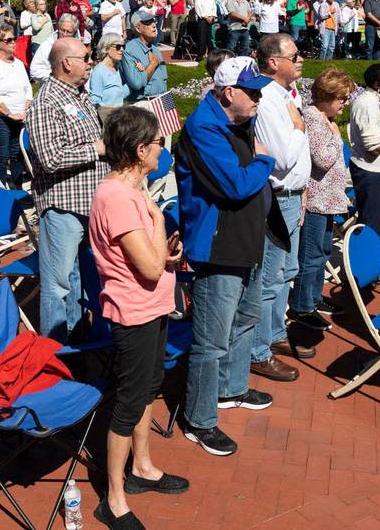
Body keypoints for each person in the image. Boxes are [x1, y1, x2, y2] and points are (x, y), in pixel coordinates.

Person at [89, 107, 189, 529]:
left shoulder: (133, 190)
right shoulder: (120, 198)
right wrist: (159, 219)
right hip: (133, 312)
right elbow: (148, 268)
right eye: (158, 143)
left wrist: (165, 251)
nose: (163, 149)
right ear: (139, 149)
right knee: (129, 403)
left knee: (149, 388)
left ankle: (143, 467)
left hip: (152, 307)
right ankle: (113, 499)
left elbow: (154, 259)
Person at [174, 55, 279, 457]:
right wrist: (265, 161)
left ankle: (231, 388)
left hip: (246, 239)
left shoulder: (240, 121)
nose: (258, 98)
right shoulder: (204, 128)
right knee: (211, 340)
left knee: (247, 317)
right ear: (228, 92)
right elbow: (235, 185)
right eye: (252, 91)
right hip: (218, 246)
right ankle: (199, 420)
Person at [25, 37, 109, 340]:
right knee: (58, 285)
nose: (90, 62)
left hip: (91, 204)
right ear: (66, 63)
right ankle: (56, 353)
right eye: (85, 57)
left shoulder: (79, 95)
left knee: (80, 279)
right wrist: (96, 149)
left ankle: (78, 340)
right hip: (63, 208)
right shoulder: (46, 103)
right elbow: (50, 158)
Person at [249, 33, 312, 379]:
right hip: (278, 197)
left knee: (287, 272)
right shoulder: (270, 100)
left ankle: (274, 335)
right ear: (273, 62)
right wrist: (300, 127)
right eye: (294, 55)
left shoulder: (289, 93)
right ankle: (258, 351)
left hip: (294, 196)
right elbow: (283, 159)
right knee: (270, 278)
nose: (300, 60)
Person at [289, 69, 353, 327]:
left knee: (323, 252)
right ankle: (302, 306)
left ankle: (314, 297)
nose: (344, 104)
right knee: (311, 254)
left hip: (329, 200)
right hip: (316, 200)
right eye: (341, 99)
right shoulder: (315, 119)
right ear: (326, 97)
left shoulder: (323, 119)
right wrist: (337, 137)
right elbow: (322, 159)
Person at [348, 64, 380, 235]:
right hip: (370, 173)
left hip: (375, 172)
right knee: (371, 223)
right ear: (377, 85)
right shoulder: (367, 105)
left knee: (373, 220)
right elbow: (374, 149)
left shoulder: (371, 102)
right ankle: (365, 260)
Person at [0, 23, 32, 188]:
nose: (13, 42)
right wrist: (9, 113)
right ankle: (0, 188)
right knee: (2, 155)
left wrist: (25, 109)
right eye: (9, 40)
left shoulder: (18, 63)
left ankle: (17, 187)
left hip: (19, 116)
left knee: (17, 153)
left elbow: (27, 88)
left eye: (14, 39)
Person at [120, 11, 168, 103]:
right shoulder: (129, 50)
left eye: (153, 21)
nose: (154, 24)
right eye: (148, 22)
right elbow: (136, 83)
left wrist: (168, 107)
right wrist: (153, 64)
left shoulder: (155, 49)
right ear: (138, 28)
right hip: (145, 103)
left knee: (172, 118)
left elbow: (163, 81)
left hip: (164, 98)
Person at [89, 32, 128, 124]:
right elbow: (95, 99)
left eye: (123, 46)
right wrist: (109, 111)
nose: (122, 50)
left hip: (120, 118)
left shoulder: (117, 68)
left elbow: (120, 92)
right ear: (106, 48)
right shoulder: (99, 71)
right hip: (108, 121)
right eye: (118, 47)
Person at [29, 13, 78, 82]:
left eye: (69, 32)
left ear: (74, 33)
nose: (64, 34)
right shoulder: (47, 46)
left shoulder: (78, 46)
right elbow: (34, 71)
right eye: (62, 30)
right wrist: (57, 77)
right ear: (58, 27)